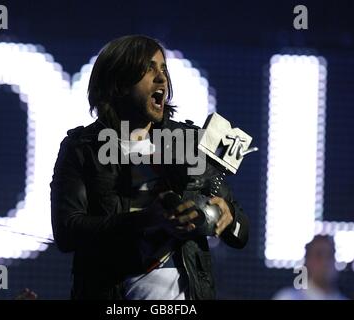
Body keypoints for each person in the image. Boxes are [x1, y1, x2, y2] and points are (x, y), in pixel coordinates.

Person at [50, 35, 249, 300]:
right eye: (149, 69)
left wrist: (228, 215)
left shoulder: (189, 143)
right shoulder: (82, 148)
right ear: (118, 82)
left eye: (163, 69)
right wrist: (147, 219)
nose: (162, 78)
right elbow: (67, 232)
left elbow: (241, 232)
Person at [273, 235, 347, 300]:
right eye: (319, 255)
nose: (325, 262)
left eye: (329, 255)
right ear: (308, 262)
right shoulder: (288, 297)